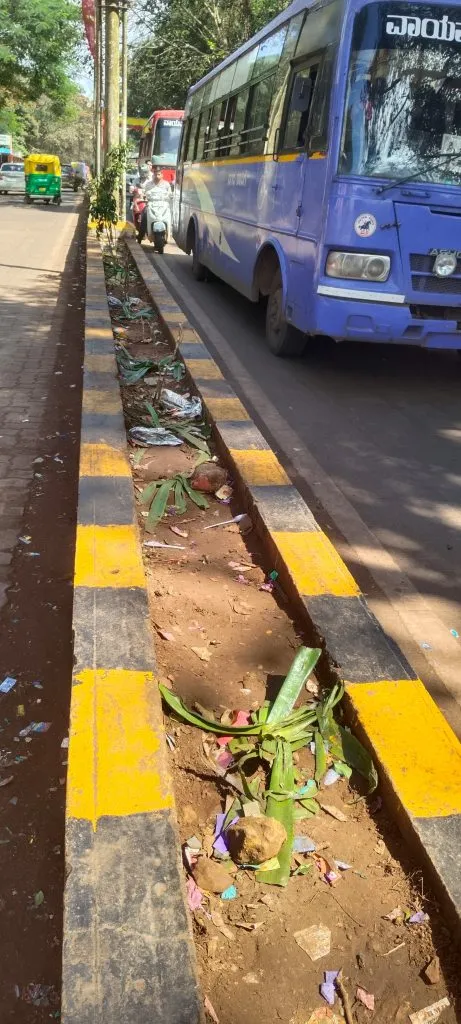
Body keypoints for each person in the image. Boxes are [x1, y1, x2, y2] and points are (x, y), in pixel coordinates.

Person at [137, 167, 172, 243]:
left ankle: (169, 234)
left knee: (169, 214)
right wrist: (142, 196)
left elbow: (170, 194)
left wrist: (170, 196)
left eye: (159, 174)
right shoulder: (149, 184)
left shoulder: (166, 184)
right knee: (144, 215)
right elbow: (144, 193)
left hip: (163, 205)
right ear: (153, 175)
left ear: (162, 175)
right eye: (155, 174)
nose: (157, 176)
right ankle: (140, 236)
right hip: (151, 204)